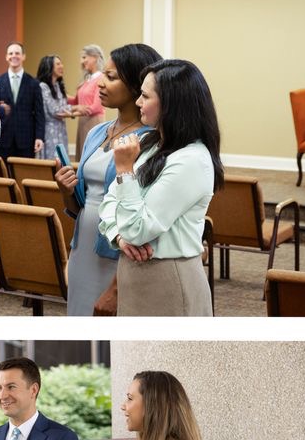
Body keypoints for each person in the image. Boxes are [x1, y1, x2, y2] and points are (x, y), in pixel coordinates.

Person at [98, 59, 221, 316]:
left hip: (168, 278)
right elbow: (109, 203)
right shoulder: (152, 142)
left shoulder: (192, 160)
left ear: (172, 105)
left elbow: (137, 230)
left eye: (145, 96)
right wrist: (119, 238)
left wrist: (124, 171)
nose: (138, 102)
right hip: (134, 273)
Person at [56, 44, 162, 316]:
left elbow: (145, 213)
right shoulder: (97, 132)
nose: (101, 83)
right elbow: (79, 205)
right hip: (82, 249)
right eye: (103, 75)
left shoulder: (151, 141)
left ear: (137, 85)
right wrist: (66, 189)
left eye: (111, 77)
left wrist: (115, 288)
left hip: (117, 255)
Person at [0, 42, 45, 158]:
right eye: (10, 53)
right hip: (3, 140)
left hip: (26, 141)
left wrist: (39, 137)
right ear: (6, 57)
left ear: (23, 56)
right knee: (3, 176)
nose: (14, 56)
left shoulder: (34, 84)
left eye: (17, 53)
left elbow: (39, 113)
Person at [70, 44, 106, 158]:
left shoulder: (101, 78)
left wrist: (74, 110)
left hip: (94, 122)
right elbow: (76, 101)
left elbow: (96, 107)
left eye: (84, 57)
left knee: (90, 156)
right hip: (83, 121)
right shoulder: (87, 80)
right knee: (82, 156)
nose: (82, 61)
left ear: (95, 57)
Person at [35, 55, 72, 160]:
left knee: (63, 163)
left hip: (61, 130)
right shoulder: (43, 86)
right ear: (49, 66)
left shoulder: (58, 86)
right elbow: (55, 110)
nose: (62, 66)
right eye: (58, 64)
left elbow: (63, 106)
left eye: (61, 63)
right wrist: (75, 109)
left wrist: (71, 110)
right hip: (49, 132)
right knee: (52, 163)